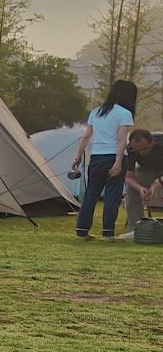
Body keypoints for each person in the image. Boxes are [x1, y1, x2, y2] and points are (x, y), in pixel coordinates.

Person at [72, 79, 137, 239]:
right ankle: (108, 233)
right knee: (112, 196)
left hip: (96, 157)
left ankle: (82, 230)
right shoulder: (124, 113)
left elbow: (86, 137)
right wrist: (118, 161)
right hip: (114, 156)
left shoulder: (96, 112)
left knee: (91, 194)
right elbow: (122, 139)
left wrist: (78, 156)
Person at [124, 129, 163, 228]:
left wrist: (159, 182)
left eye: (144, 149)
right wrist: (140, 188)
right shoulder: (130, 150)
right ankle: (135, 228)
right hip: (146, 169)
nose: (140, 152)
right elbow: (128, 177)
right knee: (132, 190)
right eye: (137, 150)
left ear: (152, 142)